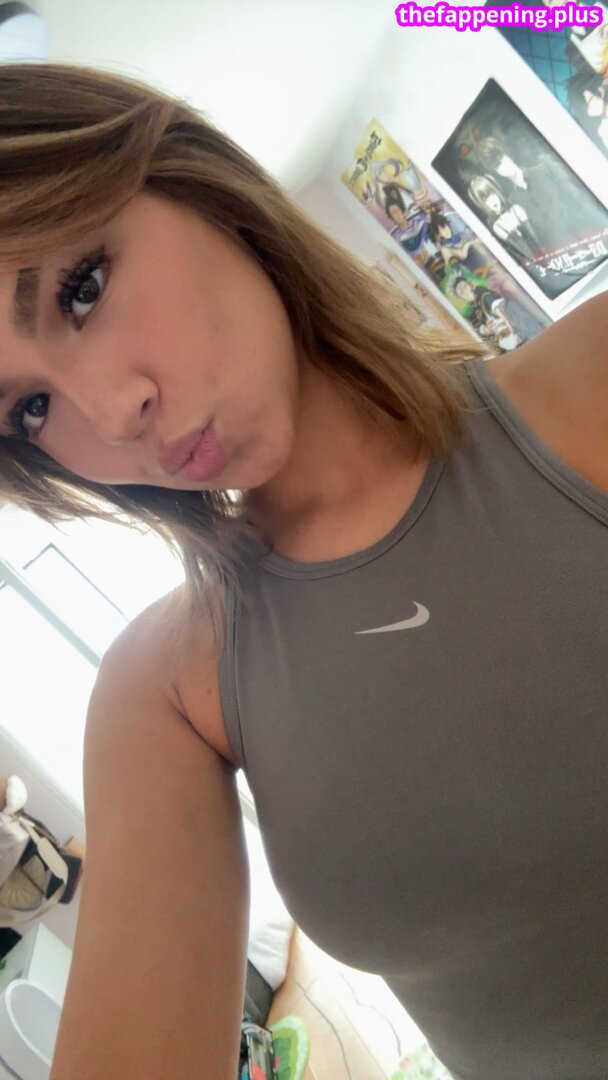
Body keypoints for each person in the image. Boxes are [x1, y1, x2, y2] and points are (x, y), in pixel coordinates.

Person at [0, 63, 606, 1080]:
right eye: (30, 409)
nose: (109, 413)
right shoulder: (169, 692)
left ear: (195, 184)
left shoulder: (588, 386)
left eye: (83, 290)